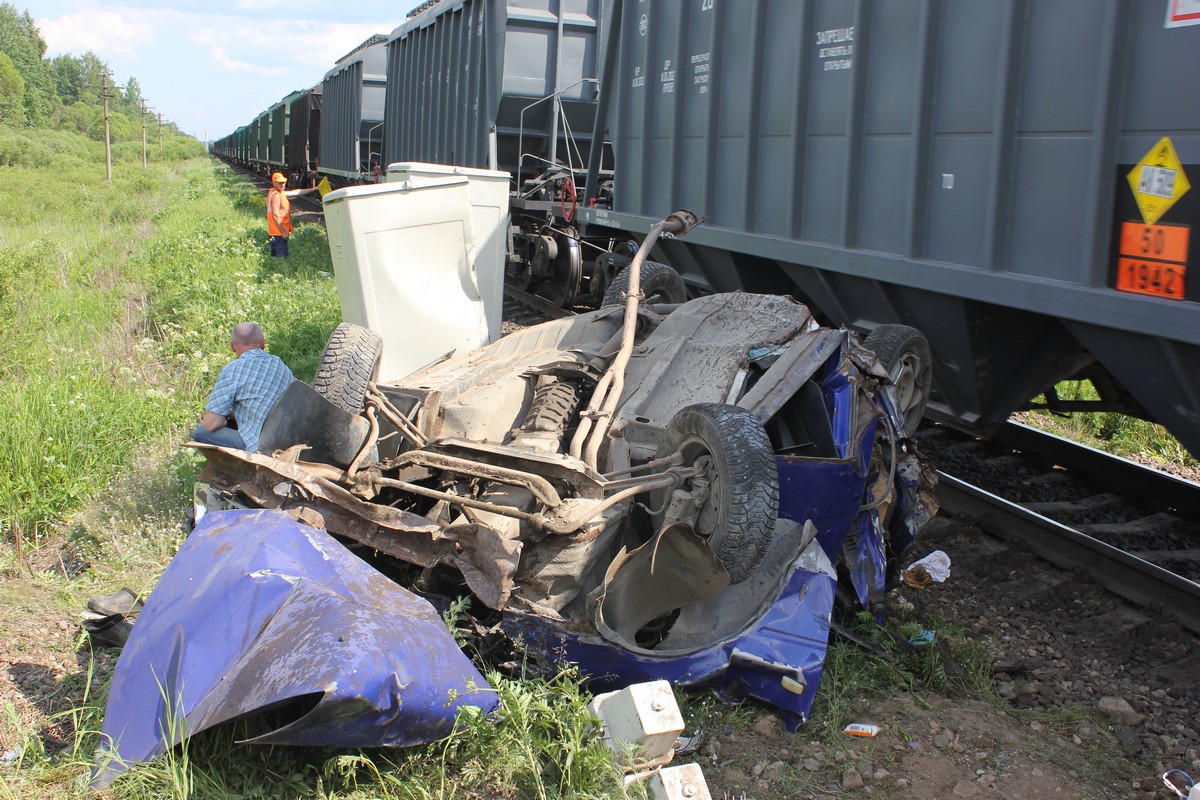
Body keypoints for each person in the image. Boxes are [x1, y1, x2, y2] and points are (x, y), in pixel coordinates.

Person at [191, 322, 294, 452]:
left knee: (200, 432)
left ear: (232, 346)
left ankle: (227, 470)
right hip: (284, 442)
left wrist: (224, 418)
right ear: (263, 343)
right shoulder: (282, 367)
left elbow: (211, 424)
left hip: (258, 446)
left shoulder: (233, 370)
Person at [266, 172, 318, 258]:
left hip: (277, 231)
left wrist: (313, 189)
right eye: (280, 182)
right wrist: (283, 232)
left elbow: (296, 192)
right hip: (278, 232)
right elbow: (275, 215)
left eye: (283, 182)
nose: (282, 184)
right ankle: (280, 271)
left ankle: (275, 270)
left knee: (276, 256)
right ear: (274, 183)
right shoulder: (276, 196)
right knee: (281, 257)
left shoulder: (279, 193)